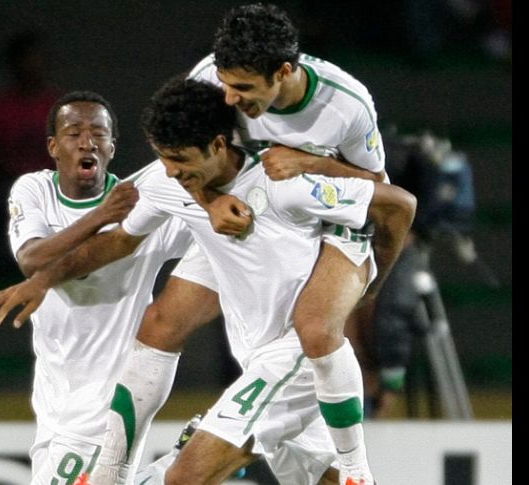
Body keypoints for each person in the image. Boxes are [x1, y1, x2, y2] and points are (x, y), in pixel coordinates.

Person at [0, 78, 416, 484]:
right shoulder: (165, 181)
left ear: (218, 145)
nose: (171, 173)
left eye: (181, 162)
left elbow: (398, 205)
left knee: (184, 477)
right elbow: (117, 243)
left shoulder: (284, 182)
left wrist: (367, 283)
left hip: (292, 355)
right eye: (164, 159)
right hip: (252, 353)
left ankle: (166, 463)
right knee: (161, 325)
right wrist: (42, 281)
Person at [90, 4, 395, 483]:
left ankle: (354, 465)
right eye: (225, 83)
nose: (229, 98)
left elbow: (378, 185)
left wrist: (310, 163)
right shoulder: (211, 80)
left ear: (285, 72)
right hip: (245, 207)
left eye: (245, 88)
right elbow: (190, 153)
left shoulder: (346, 105)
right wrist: (206, 199)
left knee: (314, 329)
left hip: (320, 215)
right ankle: (110, 470)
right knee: (163, 319)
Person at [0, 90, 192, 485]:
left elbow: (205, 229)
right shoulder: (35, 191)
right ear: (53, 146)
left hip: (106, 403)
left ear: (112, 147)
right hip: (54, 403)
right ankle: (179, 467)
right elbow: (33, 260)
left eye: (98, 133)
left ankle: (185, 465)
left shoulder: (143, 206)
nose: (86, 141)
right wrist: (101, 216)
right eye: (73, 132)